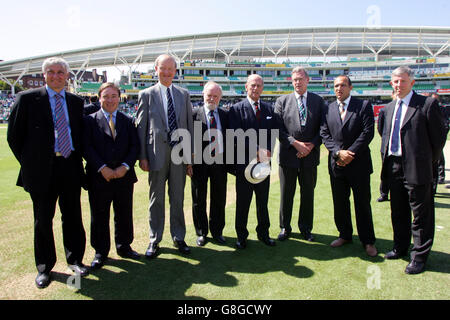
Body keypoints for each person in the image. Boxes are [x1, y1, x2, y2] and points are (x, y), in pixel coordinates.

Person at [7, 57, 88, 288]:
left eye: (60, 72)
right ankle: (45, 268)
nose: (56, 76)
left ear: (67, 76)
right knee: (43, 220)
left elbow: (79, 135)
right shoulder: (27, 99)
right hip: (41, 170)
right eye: (51, 72)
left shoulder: (75, 101)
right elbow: (14, 137)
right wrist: (31, 164)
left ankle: (75, 262)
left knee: (73, 218)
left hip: (70, 167)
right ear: (44, 75)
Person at [380, 66, 446, 274]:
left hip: (417, 168)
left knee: (421, 215)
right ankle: (400, 247)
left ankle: (419, 256)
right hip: (393, 167)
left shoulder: (427, 104)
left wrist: (427, 162)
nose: (398, 85)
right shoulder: (388, 108)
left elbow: (439, 139)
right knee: (398, 212)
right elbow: (383, 134)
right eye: (395, 81)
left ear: (412, 82)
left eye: (403, 81)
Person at [136, 54, 194, 258]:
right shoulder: (146, 94)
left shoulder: (183, 94)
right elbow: (141, 127)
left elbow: (188, 126)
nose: (167, 72)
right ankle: (154, 239)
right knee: (156, 200)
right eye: (163, 68)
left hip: (179, 154)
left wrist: (190, 158)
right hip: (155, 155)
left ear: (175, 71)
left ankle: (179, 237)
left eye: (171, 69)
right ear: (156, 69)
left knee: (177, 198)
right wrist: (142, 156)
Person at [83, 82, 140, 270]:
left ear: (119, 98)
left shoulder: (127, 120)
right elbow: (87, 147)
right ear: (99, 98)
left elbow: (135, 147)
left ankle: (124, 246)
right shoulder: (89, 121)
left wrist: (125, 166)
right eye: (106, 96)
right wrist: (102, 168)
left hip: (124, 176)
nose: (110, 100)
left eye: (113, 96)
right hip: (99, 177)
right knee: (99, 215)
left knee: (124, 213)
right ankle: (100, 252)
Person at [320, 75, 377, 257]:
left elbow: (367, 133)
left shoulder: (363, 106)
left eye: (343, 85)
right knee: (340, 203)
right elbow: (325, 134)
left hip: (358, 164)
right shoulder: (328, 109)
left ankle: (367, 241)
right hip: (337, 164)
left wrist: (349, 153)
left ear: (350, 87)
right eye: (336, 85)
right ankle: (345, 235)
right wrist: (338, 153)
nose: (339, 88)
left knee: (362, 204)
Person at [274, 67, 325, 242]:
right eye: (294, 79)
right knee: (286, 194)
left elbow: (324, 128)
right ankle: (284, 227)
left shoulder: (318, 101)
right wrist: (295, 144)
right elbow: (278, 129)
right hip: (288, 157)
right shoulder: (282, 101)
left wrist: (311, 146)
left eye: (300, 79)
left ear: (308, 80)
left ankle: (305, 228)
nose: (297, 82)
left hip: (310, 157)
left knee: (308, 194)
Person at [228, 74, 278, 249]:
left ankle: (263, 233)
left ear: (262, 88)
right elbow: (235, 135)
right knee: (243, 202)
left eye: (258, 85)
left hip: (264, 164)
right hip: (244, 165)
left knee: (262, 201)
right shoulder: (235, 109)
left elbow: (273, 134)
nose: (255, 88)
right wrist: (256, 150)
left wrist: (267, 152)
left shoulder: (269, 109)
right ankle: (241, 236)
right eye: (252, 85)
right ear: (246, 87)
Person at [191, 81, 229, 246]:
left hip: (220, 163)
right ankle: (201, 232)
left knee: (219, 198)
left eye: (215, 96)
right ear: (203, 95)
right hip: (199, 164)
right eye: (209, 95)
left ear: (220, 98)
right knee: (199, 198)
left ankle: (217, 231)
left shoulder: (226, 115)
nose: (212, 99)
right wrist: (188, 163)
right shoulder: (193, 115)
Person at [376, 106, 389, 202]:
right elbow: (380, 128)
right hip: (386, 147)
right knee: (386, 171)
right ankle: (384, 193)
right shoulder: (385, 110)